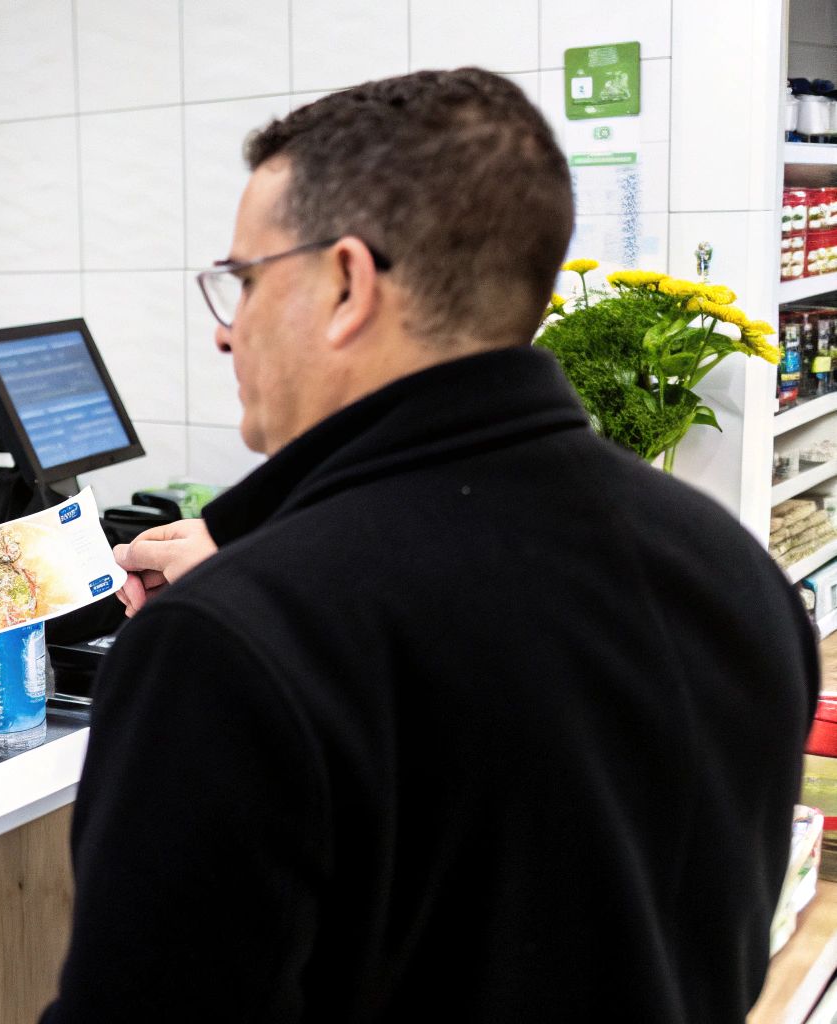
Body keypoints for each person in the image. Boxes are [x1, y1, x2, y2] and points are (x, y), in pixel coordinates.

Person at [43, 69, 818, 1020]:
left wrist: (250, 612)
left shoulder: (230, 651)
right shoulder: (736, 576)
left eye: (242, 282)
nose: (226, 333)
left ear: (345, 284)